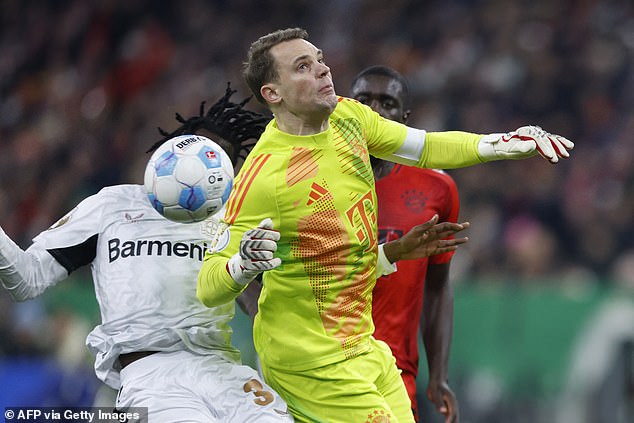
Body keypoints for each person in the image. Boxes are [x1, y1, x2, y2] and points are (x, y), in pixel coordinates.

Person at [196, 27, 574, 423]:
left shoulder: (348, 117)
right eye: (303, 67)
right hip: (310, 363)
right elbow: (208, 286)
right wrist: (242, 264)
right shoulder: (263, 176)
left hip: (362, 343)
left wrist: (500, 144)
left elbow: (425, 147)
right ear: (273, 93)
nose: (323, 70)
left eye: (320, 59)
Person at [0, 90, 293, 422]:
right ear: (168, 152)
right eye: (196, 151)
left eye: (217, 162)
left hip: (223, 370)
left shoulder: (233, 220)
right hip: (153, 376)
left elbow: (262, 304)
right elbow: (27, 278)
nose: (200, 169)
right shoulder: (112, 206)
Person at [350, 65, 460, 423]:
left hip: (395, 376)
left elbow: (438, 288)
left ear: (404, 118)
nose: (375, 110)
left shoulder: (436, 187)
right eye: (364, 100)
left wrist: (438, 374)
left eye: (387, 102)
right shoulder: (309, 180)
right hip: (322, 368)